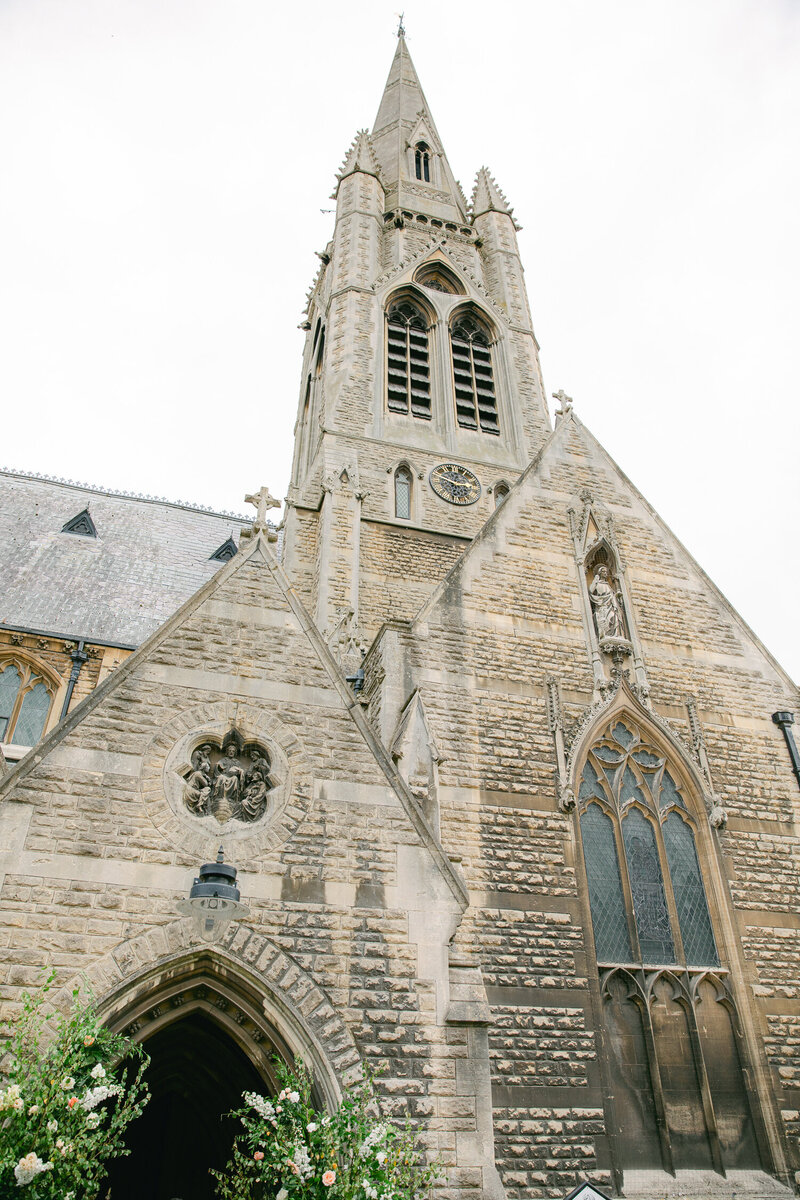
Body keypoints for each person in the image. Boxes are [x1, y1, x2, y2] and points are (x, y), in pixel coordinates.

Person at [589, 564, 625, 640]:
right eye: (603, 572)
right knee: (606, 621)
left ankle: (615, 635)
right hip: (603, 607)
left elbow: (612, 596)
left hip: (611, 606)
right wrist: (595, 581)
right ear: (599, 573)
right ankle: (606, 636)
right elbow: (590, 592)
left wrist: (617, 597)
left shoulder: (608, 585)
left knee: (614, 619)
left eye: (606, 572)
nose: (605, 573)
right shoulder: (597, 583)